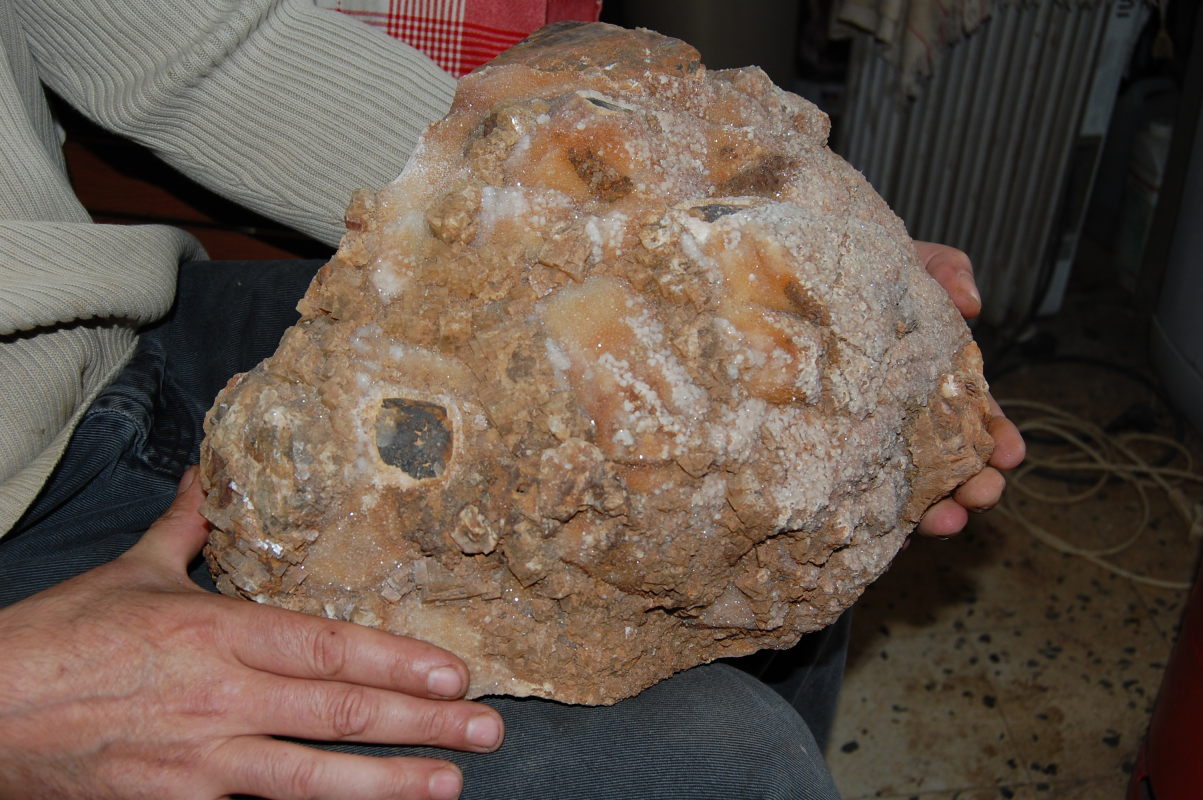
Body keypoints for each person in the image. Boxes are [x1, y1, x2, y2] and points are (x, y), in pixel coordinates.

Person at [0, 2, 1025, 798]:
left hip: (95, 337)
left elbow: (189, 47)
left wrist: (539, 172)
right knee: (732, 768)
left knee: (781, 488)